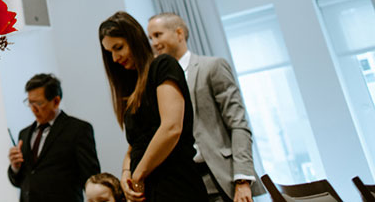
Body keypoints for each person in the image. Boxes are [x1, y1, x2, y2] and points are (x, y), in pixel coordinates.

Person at [147, 13, 264, 202]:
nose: (153, 43)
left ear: (179, 33)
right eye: (150, 38)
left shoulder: (212, 67)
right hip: (183, 183)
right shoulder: (158, 84)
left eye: (158, 35)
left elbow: (238, 124)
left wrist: (242, 180)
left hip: (219, 178)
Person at [98, 11, 208, 202]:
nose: (115, 58)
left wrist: (138, 173)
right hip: (146, 189)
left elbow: (171, 128)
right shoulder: (131, 86)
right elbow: (134, 145)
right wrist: (126, 174)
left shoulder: (163, 66)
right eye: (110, 53)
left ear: (135, 39)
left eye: (118, 48)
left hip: (176, 185)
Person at [7, 73, 100, 202]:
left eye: (38, 103)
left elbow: (91, 178)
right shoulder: (24, 134)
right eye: (30, 103)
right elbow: (22, 181)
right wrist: (15, 167)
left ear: (56, 101)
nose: (33, 109)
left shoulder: (78, 129)